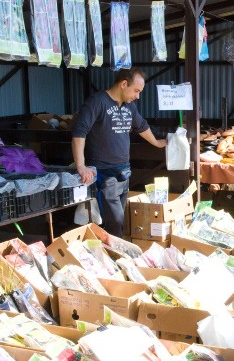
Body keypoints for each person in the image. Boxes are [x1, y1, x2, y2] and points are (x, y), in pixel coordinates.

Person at [71, 67, 168, 237]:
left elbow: (141, 126)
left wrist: (157, 143)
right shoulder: (97, 102)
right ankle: (114, 256)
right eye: (136, 91)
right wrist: (81, 166)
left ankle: (113, 254)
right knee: (115, 224)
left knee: (119, 221)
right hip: (104, 174)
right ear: (124, 84)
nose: (137, 96)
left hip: (124, 172)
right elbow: (79, 132)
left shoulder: (129, 106)